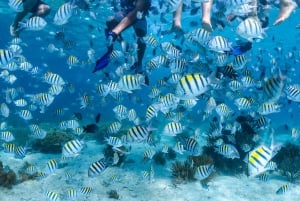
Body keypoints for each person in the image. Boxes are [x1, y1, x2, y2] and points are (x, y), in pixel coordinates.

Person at [105, 0, 151, 74]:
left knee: (142, 35)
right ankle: (124, 45)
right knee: (109, 22)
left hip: (140, 14)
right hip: (125, 11)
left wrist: (115, 31)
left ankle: (139, 63)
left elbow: (138, 9)